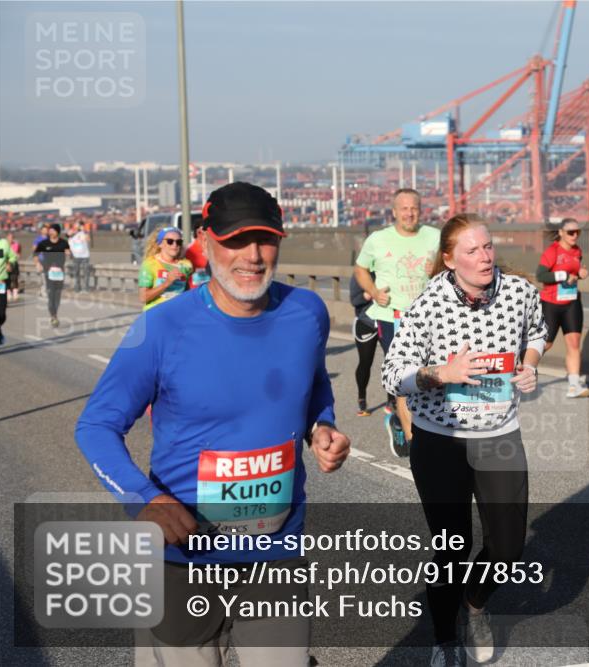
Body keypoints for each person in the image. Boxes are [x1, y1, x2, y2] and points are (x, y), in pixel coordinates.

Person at [75, 181, 351, 666]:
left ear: (281, 241)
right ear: (205, 241)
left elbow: (312, 386)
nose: (252, 255)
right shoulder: (161, 327)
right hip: (184, 553)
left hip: (276, 549)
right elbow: (96, 425)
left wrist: (320, 426)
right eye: (235, 240)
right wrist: (145, 501)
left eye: (265, 239)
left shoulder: (307, 312)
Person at [382, 213, 546, 666]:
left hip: (498, 434)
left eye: (488, 246)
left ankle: (474, 605)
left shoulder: (518, 292)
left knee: (509, 546)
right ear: (450, 259)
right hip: (441, 440)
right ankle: (444, 640)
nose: (485, 256)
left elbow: (537, 331)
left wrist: (530, 363)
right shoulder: (428, 304)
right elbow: (393, 375)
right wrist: (442, 373)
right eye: (472, 250)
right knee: (452, 546)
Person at [353, 188, 440, 457]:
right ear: (394, 212)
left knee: (432, 373)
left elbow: (453, 266)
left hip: (429, 315)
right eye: (404, 208)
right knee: (404, 375)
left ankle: (425, 426)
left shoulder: (435, 236)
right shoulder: (378, 239)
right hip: (393, 317)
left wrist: (437, 269)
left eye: (414, 207)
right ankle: (412, 436)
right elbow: (361, 268)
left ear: (420, 210)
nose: (409, 213)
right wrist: (374, 292)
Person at [536, 218, 589, 398]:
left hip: (571, 302)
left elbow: (575, 273)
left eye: (577, 232)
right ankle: (522, 366)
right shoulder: (552, 251)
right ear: (561, 232)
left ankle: (574, 386)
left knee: (574, 343)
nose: (575, 235)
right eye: (570, 232)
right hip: (551, 303)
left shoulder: (577, 251)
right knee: (547, 343)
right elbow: (541, 275)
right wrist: (564, 275)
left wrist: (580, 274)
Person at [138, 226, 194, 310]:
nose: (175, 245)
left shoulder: (186, 265)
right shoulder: (149, 264)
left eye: (178, 242)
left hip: (176, 315)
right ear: (160, 244)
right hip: (155, 315)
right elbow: (143, 297)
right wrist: (167, 283)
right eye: (170, 241)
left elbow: (186, 292)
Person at [350, 272, 380, 417]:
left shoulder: (388, 266)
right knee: (365, 362)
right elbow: (354, 300)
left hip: (386, 320)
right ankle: (362, 397)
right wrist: (369, 294)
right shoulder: (360, 272)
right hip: (365, 321)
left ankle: (392, 401)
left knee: (392, 361)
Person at [33, 223, 70, 328]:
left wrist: (69, 253)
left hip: (60, 272)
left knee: (57, 296)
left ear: (57, 231)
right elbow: (35, 255)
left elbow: (68, 252)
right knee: (51, 294)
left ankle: (55, 313)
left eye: (53, 230)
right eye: (50, 230)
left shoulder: (63, 242)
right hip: (48, 272)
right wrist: (38, 264)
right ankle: (53, 316)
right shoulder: (44, 243)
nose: (50, 232)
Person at [0, 231, 19, 347]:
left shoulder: (3, 243)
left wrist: (10, 263)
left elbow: (13, 256)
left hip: (0, 284)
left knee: (1, 314)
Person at [184, 214, 210, 288]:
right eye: (201, 232)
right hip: (195, 290)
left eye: (206, 231)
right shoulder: (188, 250)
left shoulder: (213, 248)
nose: (204, 234)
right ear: (197, 232)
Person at [68, 223, 92, 292]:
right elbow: (69, 247)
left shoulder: (82, 233)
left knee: (86, 272)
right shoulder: (71, 237)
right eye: (75, 227)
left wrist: (84, 231)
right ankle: (77, 287)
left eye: (77, 227)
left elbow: (88, 239)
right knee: (76, 272)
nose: (76, 228)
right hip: (75, 257)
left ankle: (86, 288)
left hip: (85, 256)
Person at [32, 223, 49, 297]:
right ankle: (41, 290)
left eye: (46, 230)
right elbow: (34, 250)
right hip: (40, 260)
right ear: (41, 231)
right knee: (41, 277)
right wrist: (37, 262)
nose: (45, 231)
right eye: (44, 230)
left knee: (46, 277)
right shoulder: (38, 239)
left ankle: (43, 291)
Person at [6, 232, 21, 301]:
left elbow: (19, 253)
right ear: (7, 238)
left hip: (14, 264)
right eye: (9, 237)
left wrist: (17, 256)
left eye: (12, 237)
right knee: (7, 279)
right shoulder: (4, 245)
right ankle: (8, 294)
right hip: (5, 264)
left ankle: (15, 294)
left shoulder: (16, 244)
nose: (10, 239)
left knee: (14, 279)